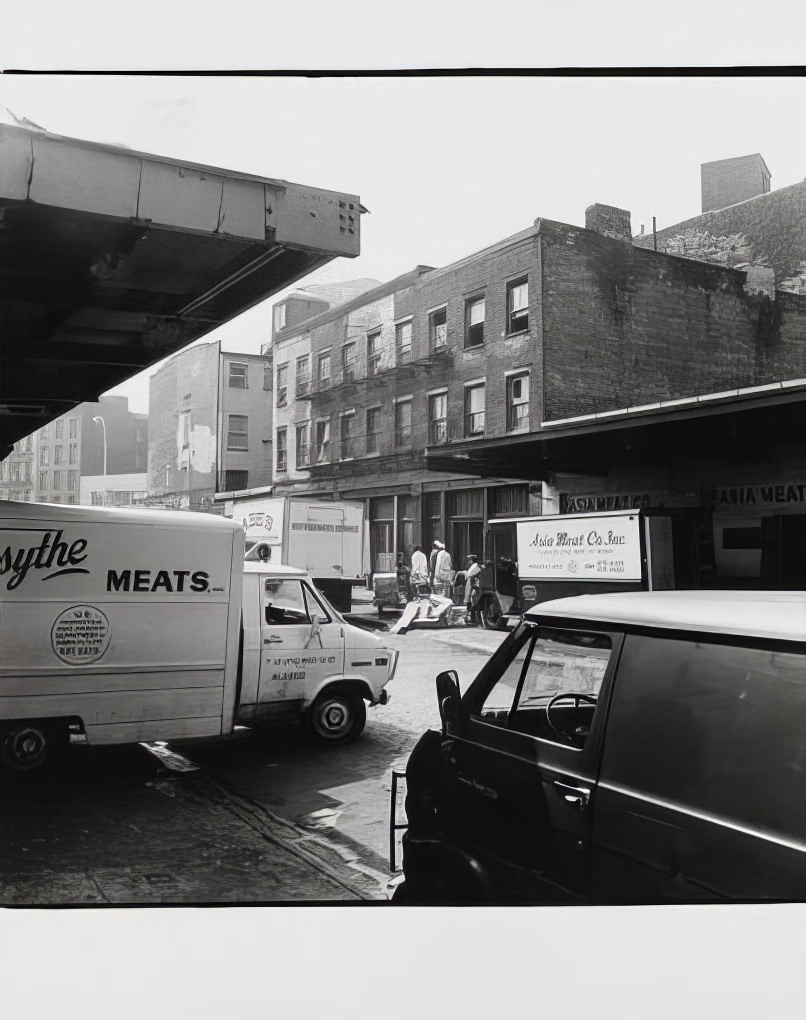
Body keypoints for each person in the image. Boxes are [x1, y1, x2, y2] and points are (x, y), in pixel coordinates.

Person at [463, 554, 482, 626]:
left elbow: (469, 575)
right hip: (473, 586)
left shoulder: (475, 566)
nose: (468, 562)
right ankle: (473, 618)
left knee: (474, 602)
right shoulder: (474, 566)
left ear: (471, 561)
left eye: (469, 560)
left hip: (474, 587)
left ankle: (474, 618)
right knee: (472, 602)